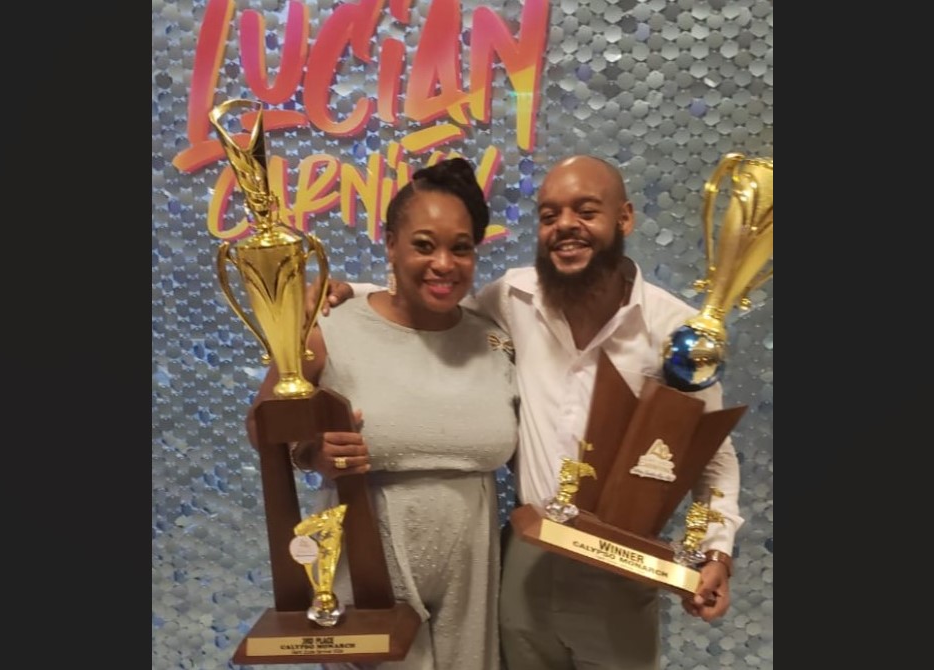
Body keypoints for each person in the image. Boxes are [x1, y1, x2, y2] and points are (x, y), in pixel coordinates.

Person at [323, 155, 743, 670]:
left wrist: (717, 552)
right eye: (549, 215)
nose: (566, 225)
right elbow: (436, 295)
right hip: (524, 558)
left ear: (625, 218)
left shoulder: (675, 331)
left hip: (621, 566)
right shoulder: (511, 298)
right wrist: (347, 293)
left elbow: (715, 459)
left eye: (585, 211)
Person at [250, 157, 519, 670]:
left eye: (460, 248)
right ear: (390, 243)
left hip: (473, 574)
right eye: (423, 244)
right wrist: (313, 454)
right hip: (367, 566)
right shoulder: (329, 324)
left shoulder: (494, 337)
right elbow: (263, 427)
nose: (444, 262)